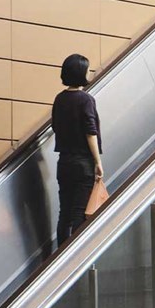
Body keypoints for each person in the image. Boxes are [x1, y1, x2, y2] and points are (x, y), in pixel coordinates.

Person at [52, 54, 104, 247]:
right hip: (83, 163)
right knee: (79, 213)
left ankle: (58, 258)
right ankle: (73, 259)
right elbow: (91, 133)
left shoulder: (60, 99)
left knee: (64, 213)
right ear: (81, 72)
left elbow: (55, 127)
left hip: (63, 163)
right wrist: (97, 162)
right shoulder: (86, 100)